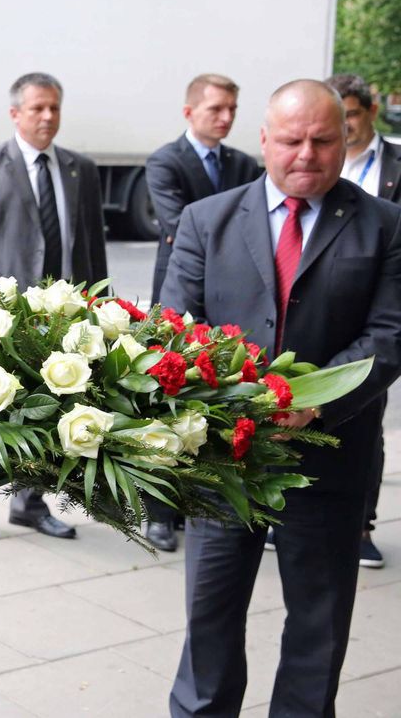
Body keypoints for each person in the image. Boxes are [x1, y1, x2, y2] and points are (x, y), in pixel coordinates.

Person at [163, 80, 401, 717]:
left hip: (330, 461)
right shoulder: (205, 221)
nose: (306, 154)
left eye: (324, 140)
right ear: (264, 139)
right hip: (219, 464)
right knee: (209, 619)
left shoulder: (385, 225)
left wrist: (313, 403)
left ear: (346, 140)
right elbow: (170, 331)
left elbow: (389, 334)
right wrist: (231, 404)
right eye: (291, 139)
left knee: (318, 628)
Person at [0, 72, 108, 547]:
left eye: (54, 108)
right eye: (37, 108)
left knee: (50, 411)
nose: (48, 117)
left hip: (59, 315)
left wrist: (98, 304)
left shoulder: (80, 169)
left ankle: (30, 504)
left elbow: (93, 246)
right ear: (16, 113)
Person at [144, 74, 260, 551]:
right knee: (168, 401)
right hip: (183, 295)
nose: (226, 117)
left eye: (232, 108)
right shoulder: (166, 161)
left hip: (234, 300)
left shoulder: (244, 163)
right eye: (216, 109)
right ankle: (159, 513)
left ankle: (217, 501)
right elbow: (180, 226)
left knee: (220, 405)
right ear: (190, 112)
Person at [325, 72, 401, 569]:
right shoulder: (318, 161)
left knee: (366, 420)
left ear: (370, 112)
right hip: (323, 309)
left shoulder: (394, 166)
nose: (345, 126)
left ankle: (361, 524)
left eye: (350, 115)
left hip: (378, 313)